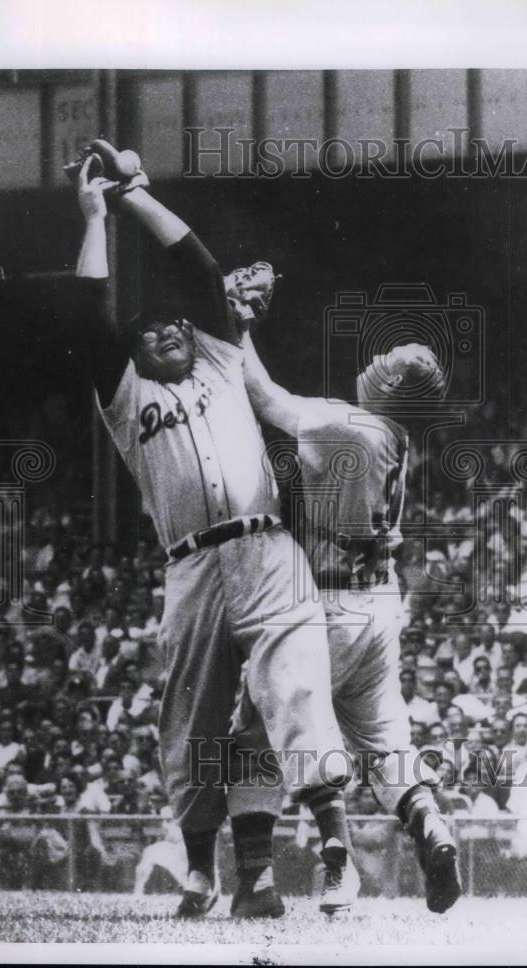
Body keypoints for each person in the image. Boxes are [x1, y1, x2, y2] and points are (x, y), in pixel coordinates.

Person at [69, 141, 346, 918]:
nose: (162, 331)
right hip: (189, 567)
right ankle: (200, 872)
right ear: (132, 356)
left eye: (175, 325)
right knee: (192, 722)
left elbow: (196, 266)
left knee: (283, 697)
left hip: (264, 548)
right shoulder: (124, 400)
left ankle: (313, 850)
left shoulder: (224, 361)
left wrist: (132, 195)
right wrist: (92, 218)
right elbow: (90, 318)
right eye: (146, 331)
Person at [225, 329, 461, 915]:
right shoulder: (398, 436)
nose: (371, 366)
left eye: (382, 366)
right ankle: (430, 822)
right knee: (383, 740)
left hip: (324, 604)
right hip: (379, 603)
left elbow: (263, 394)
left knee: (255, 736)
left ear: (386, 388)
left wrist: (242, 326)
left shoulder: (347, 425)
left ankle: (314, 868)